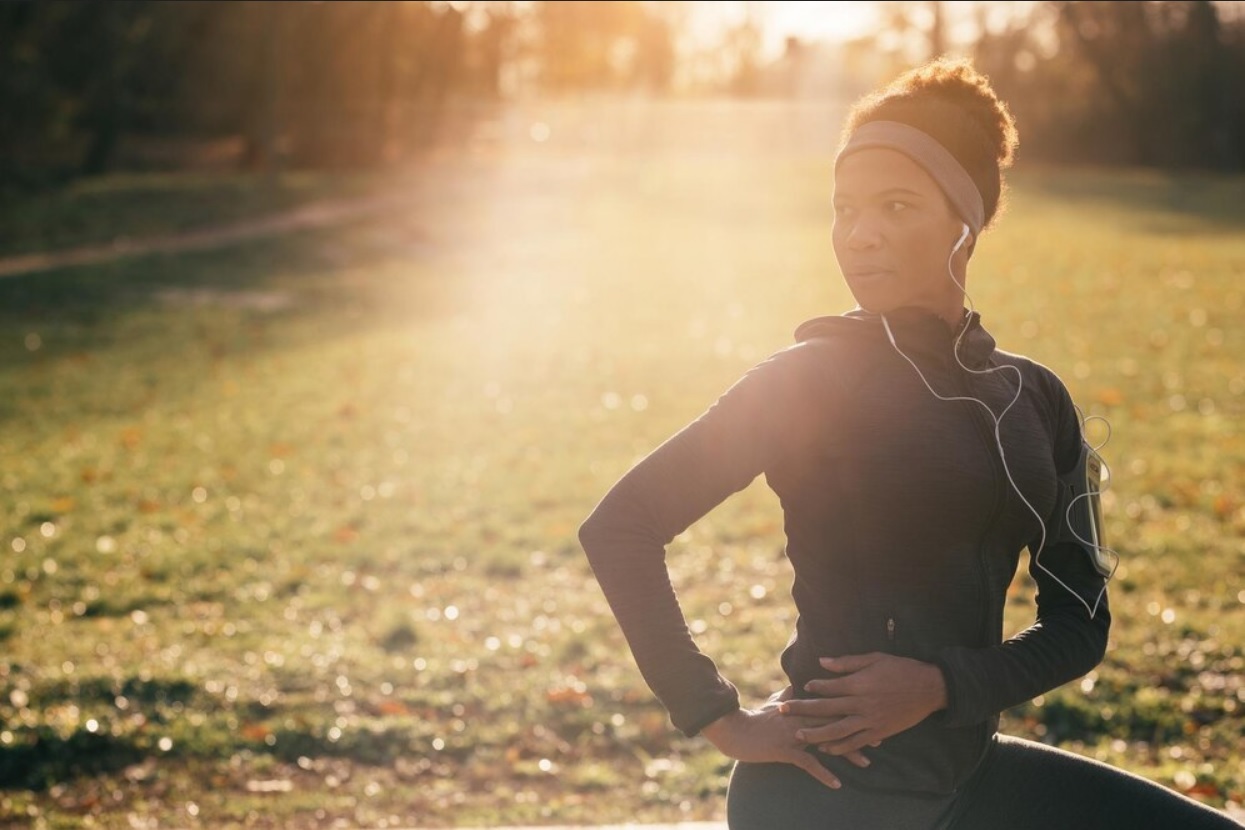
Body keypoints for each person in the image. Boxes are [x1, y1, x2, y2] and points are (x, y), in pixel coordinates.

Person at [578, 58, 1242, 829]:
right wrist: (717, 717)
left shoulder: (1035, 399)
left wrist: (941, 686)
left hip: (969, 776)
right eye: (845, 209)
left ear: (964, 222)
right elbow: (620, 528)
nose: (860, 236)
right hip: (825, 793)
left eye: (896, 206)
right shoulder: (811, 378)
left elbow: (1078, 623)